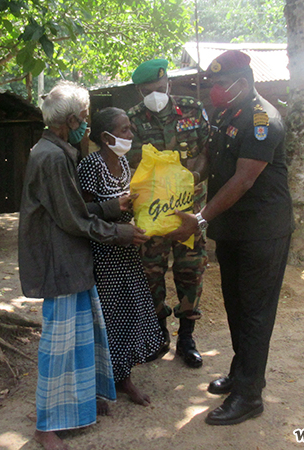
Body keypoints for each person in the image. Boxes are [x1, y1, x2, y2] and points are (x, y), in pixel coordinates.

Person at [165, 50, 294, 426]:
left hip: (262, 233)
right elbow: (210, 159)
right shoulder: (227, 114)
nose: (214, 91)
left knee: (255, 313)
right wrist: (180, 180)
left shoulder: (261, 119)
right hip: (236, 231)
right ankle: (243, 375)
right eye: (212, 85)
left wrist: (200, 219)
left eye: (220, 84)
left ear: (242, 82)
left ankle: (249, 396)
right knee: (237, 307)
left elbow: (244, 178)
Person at [18, 81, 149, 450]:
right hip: (58, 262)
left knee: (82, 338)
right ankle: (46, 427)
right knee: (58, 347)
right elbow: (73, 221)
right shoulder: (53, 157)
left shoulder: (58, 150)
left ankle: (81, 403)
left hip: (70, 260)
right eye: (85, 118)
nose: (86, 126)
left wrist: (110, 208)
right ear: (72, 119)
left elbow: (71, 210)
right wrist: (120, 232)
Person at [77, 107, 165, 406]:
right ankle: (100, 385)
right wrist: (115, 209)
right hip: (102, 255)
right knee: (107, 319)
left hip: (126, 253)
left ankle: (123, 377)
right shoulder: (91, 165)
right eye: (125, 129)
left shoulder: (125, 163)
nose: (131, 134)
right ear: (105, 136)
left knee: (130, 312)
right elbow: (81, 214)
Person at [127, 58, 210, 367]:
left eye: (160, 89)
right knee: (151, 273)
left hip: (189, 211)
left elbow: (206, 150)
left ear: (169, 85)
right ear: (139, 92)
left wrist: (194, 179)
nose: (156, 94)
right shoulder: (132, 120)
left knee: (191, 270)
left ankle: (186, 338)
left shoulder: (192, 108)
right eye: (149, 91)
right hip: (152, 215)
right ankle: (159, 334)